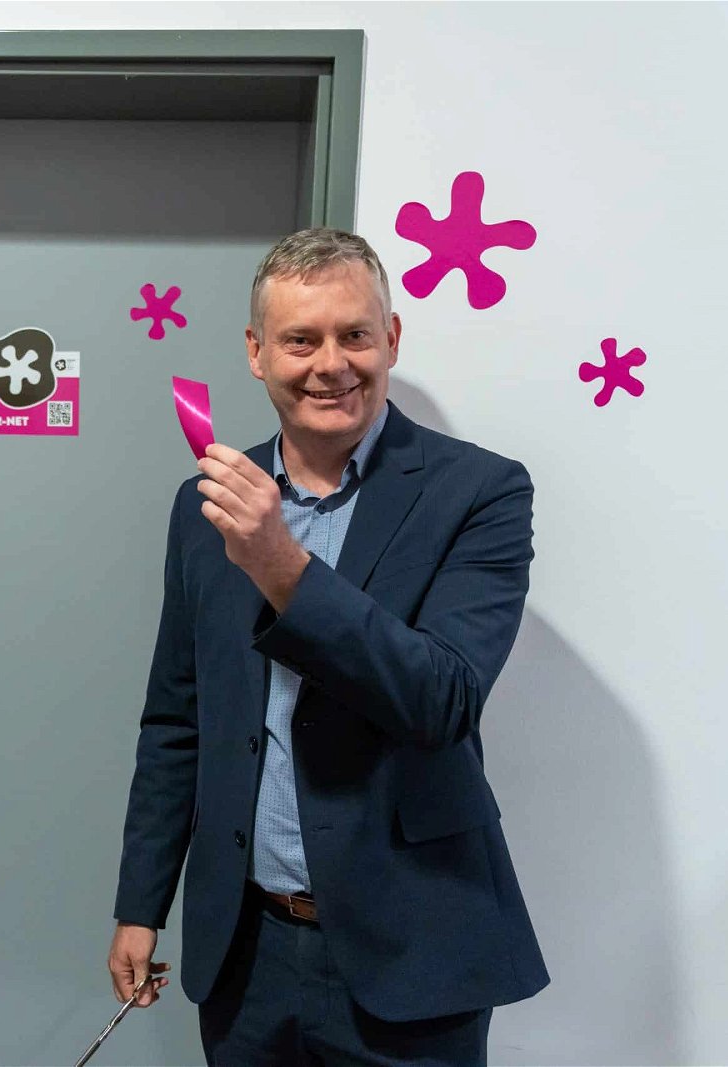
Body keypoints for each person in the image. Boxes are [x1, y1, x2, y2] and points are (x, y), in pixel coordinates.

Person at [108, 228, 548, 1065]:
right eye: (300, 339)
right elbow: (176, 720)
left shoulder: (481, 491)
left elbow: (441, 699)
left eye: (354, 334)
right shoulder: (206, 504)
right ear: (255, 352)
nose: (330, 363)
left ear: (392, 338)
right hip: (246, 950)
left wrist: (283, 564)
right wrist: (141, 902)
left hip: (412, 949)